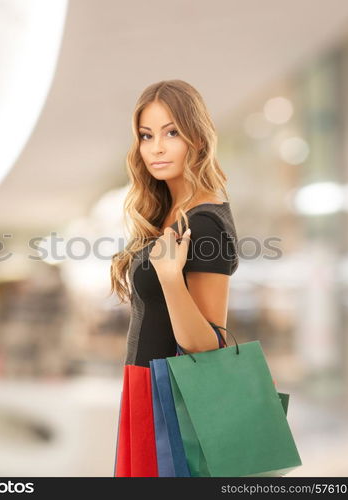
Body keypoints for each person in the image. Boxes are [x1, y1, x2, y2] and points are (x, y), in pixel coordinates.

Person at [109, 80, 239, 477]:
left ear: (197, 139)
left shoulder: (204, 222)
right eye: (147, 136)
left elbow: (209, 343)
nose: (157, 148)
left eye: (171, 133)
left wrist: (169, 278)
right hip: (143, 387)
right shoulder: (165, 211)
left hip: (172, 398)